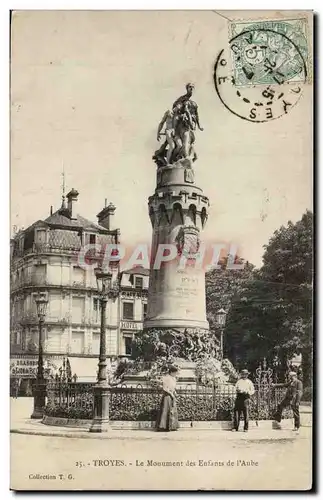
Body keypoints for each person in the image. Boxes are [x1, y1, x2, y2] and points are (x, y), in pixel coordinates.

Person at [156, 366, 179, 432]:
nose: (175, 374)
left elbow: (173, 387)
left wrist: (174, 392)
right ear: (171, 372)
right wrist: (171, 394)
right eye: (175, 373)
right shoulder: (166, 378)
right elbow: (165, 388)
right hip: (167, 396)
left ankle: (172, 426)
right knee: (166, 410)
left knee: (172, 410)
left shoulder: (173, 378)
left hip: (172, 395)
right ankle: (163, 427)